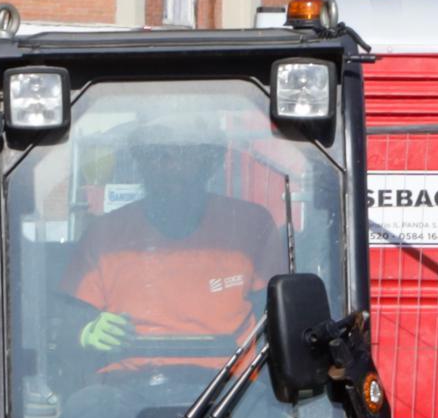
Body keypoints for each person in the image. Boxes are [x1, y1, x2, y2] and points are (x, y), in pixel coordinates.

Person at [60, 118, 284, 371]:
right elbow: (66, 321)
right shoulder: (104, 235)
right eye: (159, 154)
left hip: (232, 391)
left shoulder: (251, 226)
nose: (172, 166)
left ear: (211, 160)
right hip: (123, 390)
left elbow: (278, 318)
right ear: (140, 161)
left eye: (187, 154)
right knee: (86, 408)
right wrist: (87, 330)